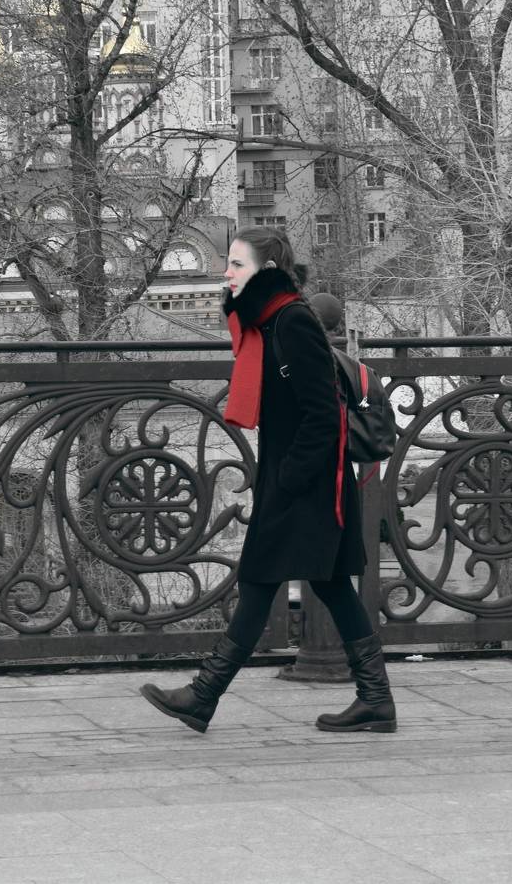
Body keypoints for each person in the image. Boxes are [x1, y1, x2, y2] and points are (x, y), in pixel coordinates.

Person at [139, 226, 396, 734]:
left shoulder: (292, 322)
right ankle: (376, 699)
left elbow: (323, 415)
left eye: (237, 264)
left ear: (268, 271)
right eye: (228, 264)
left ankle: (204, 695)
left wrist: (291, 478)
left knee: (260, 579)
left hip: (308, 482)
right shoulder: (271, 322)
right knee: (328, 585)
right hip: (300, 478)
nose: (227, 273)